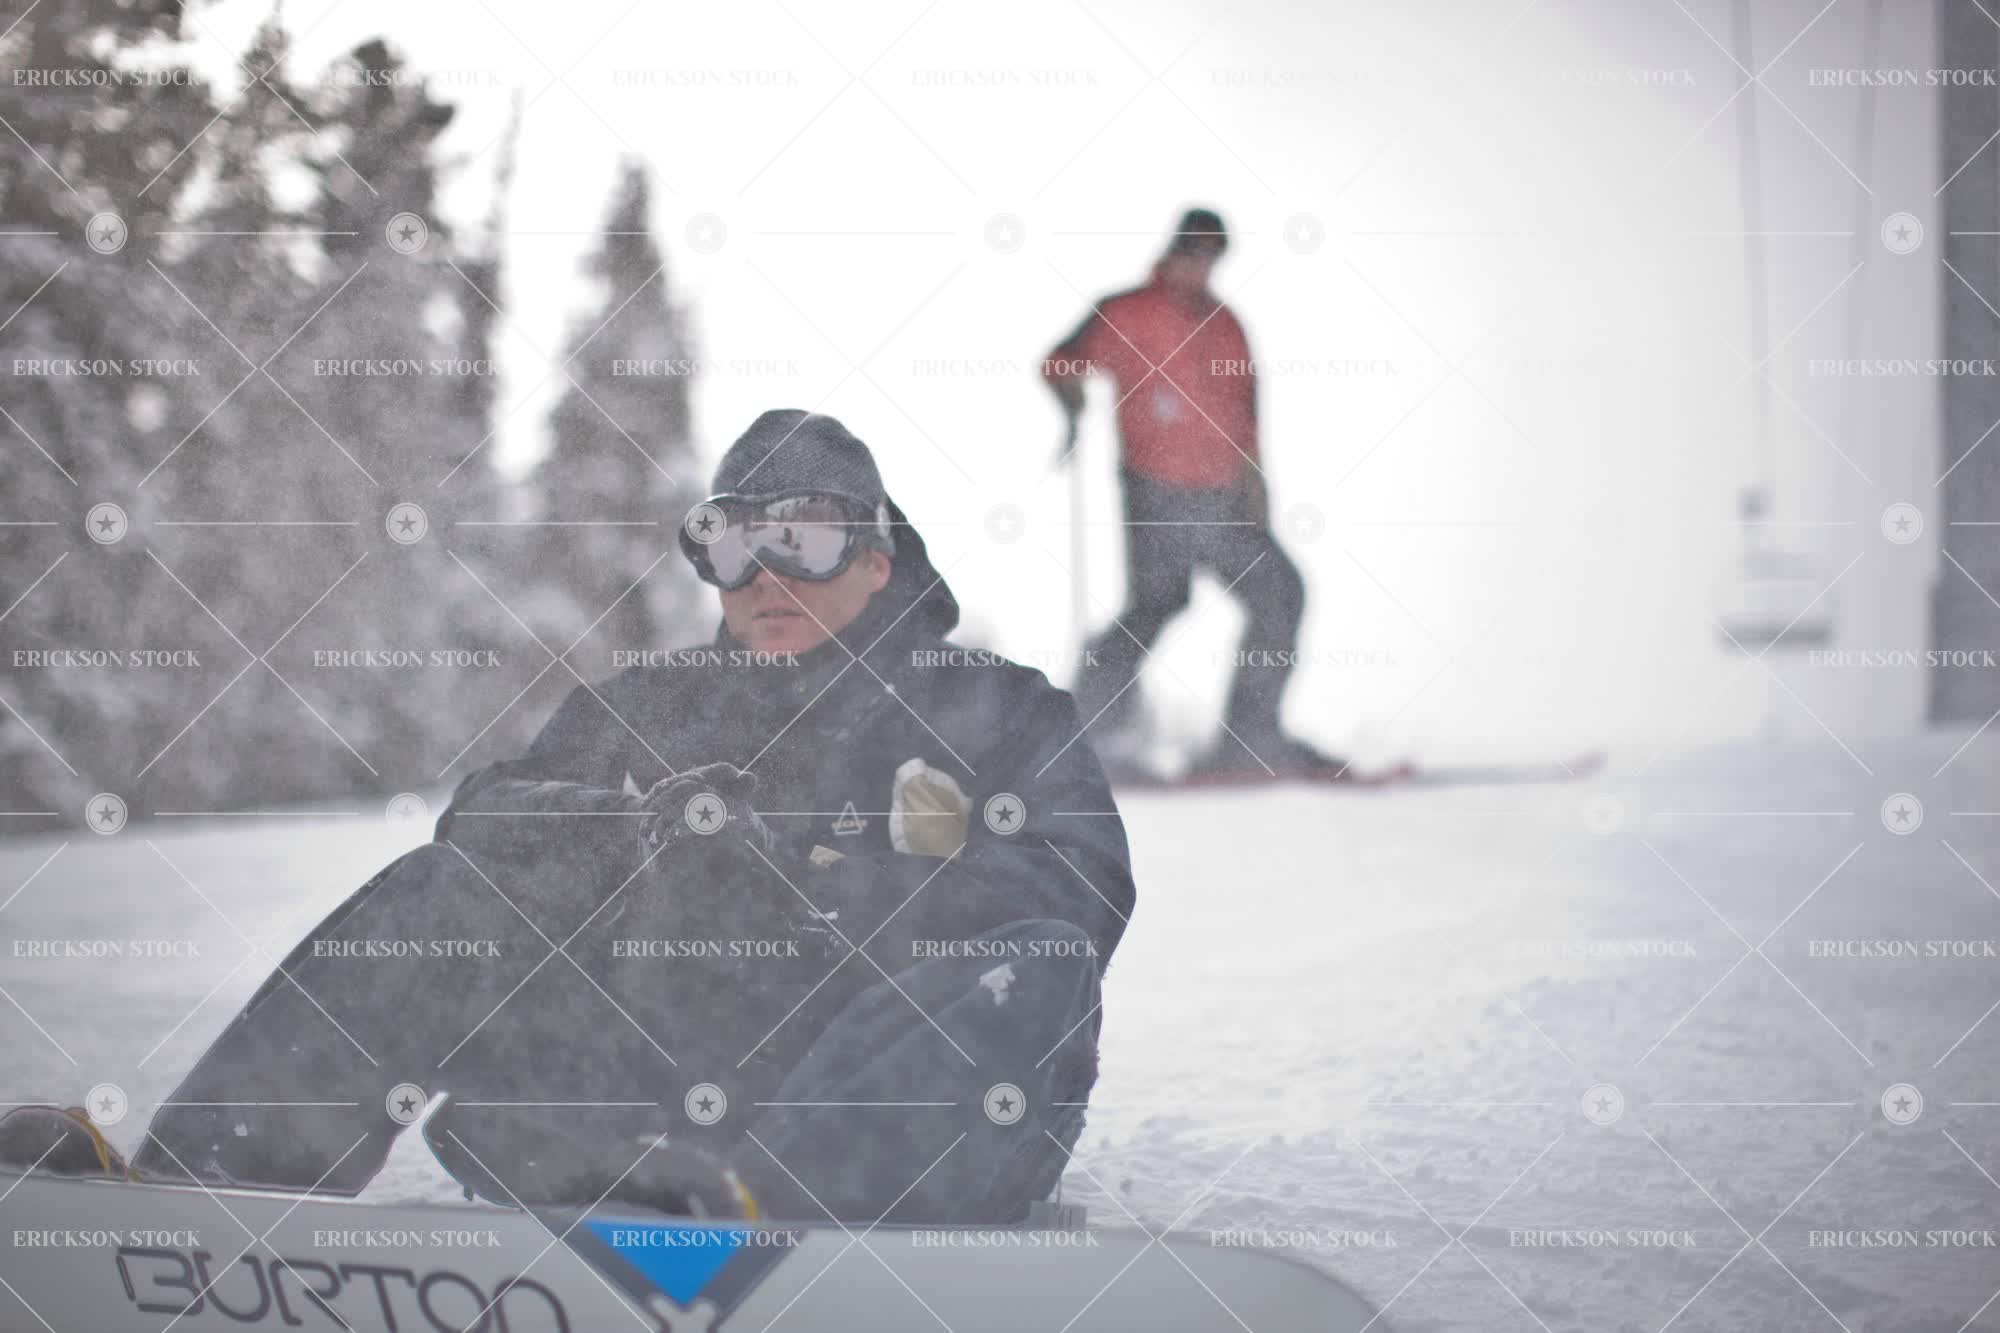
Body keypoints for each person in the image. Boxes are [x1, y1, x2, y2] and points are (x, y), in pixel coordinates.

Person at [2, 409, 1135, 1226]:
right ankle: (201, 1197)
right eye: (731, 541)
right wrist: (631, 829)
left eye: (804, 536)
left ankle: (764, 1228)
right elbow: (482, 821)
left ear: (878, 558)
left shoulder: (994, 708)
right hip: (637, 1125)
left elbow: (1078, 884)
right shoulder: (652, 706)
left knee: (1034, 960)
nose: (763, 573)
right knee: (448, 897)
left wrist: (826, 871)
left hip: (877, 1123)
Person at [1044, 207, 1343, 778]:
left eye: (1213, 254)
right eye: (1195, 251)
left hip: (1222, 498)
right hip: (1156, 491)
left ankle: (1249, 744)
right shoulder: (1128, 310)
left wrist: (1254, 479)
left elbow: (1245, 411)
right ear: (1175, 250)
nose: (1202, 264)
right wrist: (1070, 395)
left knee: (1278, 593)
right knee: (1156, 603)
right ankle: (1079, 740)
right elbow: (1061, 361)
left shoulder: (1226, 325)